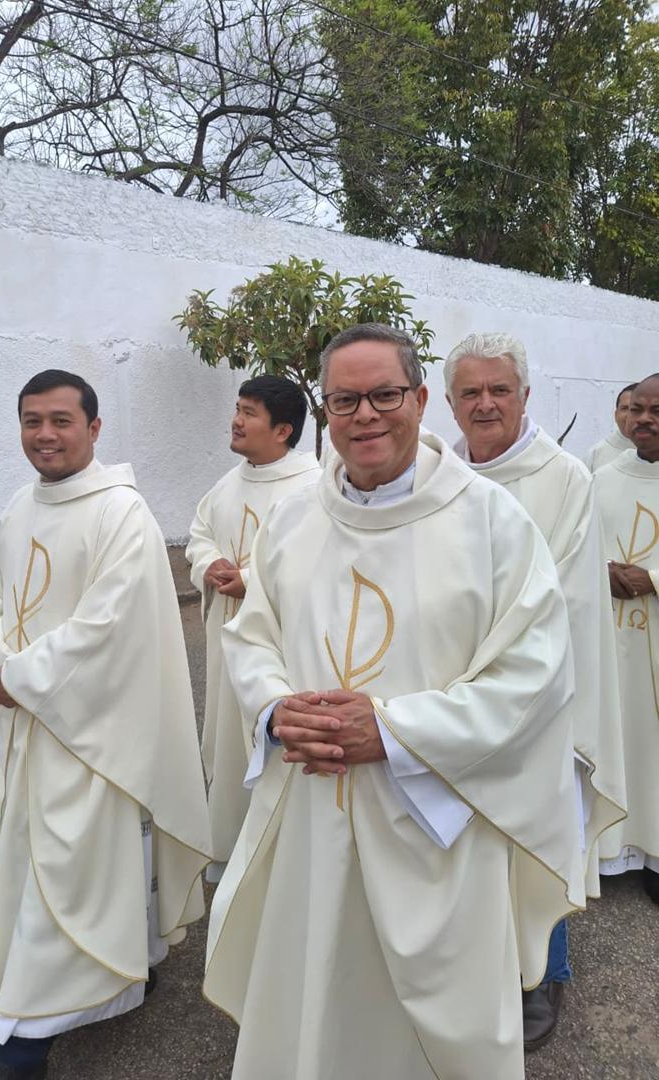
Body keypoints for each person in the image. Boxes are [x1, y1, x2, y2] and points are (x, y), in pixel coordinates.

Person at [204, 324, 584, 1080]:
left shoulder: (491, 521)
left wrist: (394, 731)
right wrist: (277, 711)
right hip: (312, 810)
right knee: (317, 1002)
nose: (365, 415)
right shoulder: (295, 518)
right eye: (345, 400)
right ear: (325, 410)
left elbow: (533, 672)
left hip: (435, 824)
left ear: (419, 399)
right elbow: (252, 636)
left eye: (384, 395)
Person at [0, 369, 210, 1079]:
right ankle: (133, 968)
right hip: (31, 718)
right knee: (75, 866)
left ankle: (20, 1046)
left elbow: (109, 626)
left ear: (94, 428)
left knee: (66, 874)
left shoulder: (121, 514)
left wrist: (23, 677)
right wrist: (5, 667)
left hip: (95, 729)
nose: (44, 435)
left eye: (61, 421)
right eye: (31, 421)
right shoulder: (19, 506)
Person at [445, 332, 627, 1051]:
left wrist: (489, 669)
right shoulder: (436, 475)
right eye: (470, 392)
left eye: (500, 390)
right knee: (460, 838)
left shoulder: (565, 479)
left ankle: (543, 975)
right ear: (448, 403)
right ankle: (471, 966)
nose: (485, 404)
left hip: (536, 699)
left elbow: (565, 600)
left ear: (525, 396)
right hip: (451, 698)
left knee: (535, 835)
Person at [186, 375, 320, 879]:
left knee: (268, 745)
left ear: (283, 430)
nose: (236, 422)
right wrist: (210, 565)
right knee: (226, 744)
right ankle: (228, 854)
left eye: (249, 413)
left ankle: (275, 863)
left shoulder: (313, 489)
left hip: (278, 652)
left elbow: (314, 561)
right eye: (237, 409)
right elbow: (199, 535)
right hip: (227, 646)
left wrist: (249, 581)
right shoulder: (228, 484)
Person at [596, 373, 659, 903]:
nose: (644, 419)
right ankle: (609, 850)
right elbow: (572, 545)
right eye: (637, 409)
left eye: (656, 411)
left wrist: (652, 579)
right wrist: (600, 572)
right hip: (611, 640)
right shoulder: (600, 478)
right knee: (616, 734)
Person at [584, 383, 636, 472]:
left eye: (636, 409)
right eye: (624, 408)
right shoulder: (595, 455)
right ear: (615, 415)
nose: (629, 415)